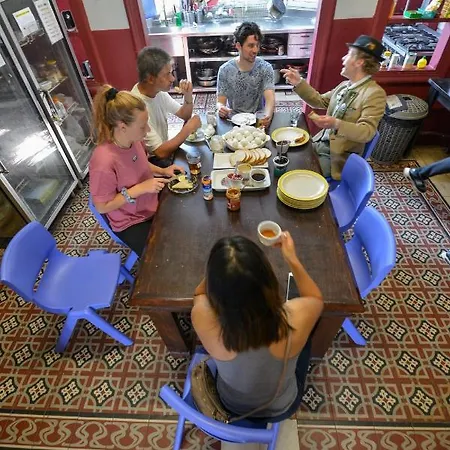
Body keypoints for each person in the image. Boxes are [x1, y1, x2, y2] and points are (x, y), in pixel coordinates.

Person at [191, 233, 323, 420]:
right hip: (281, 407)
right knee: (306, 341)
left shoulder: (203, 320)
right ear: (268, 280)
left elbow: (200, 294)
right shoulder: (294, 319)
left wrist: (218, 272)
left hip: (231, 404)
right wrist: (291, 258)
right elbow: (315, 298)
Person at [89, 85, 184, 256]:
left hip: (149, 204)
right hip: (131, 221)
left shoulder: (134, 140)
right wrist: (140, 189)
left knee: (184, 221)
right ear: (122, 126)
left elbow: (141, 164)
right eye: (142, 126)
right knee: (162, 255)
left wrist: (163, 171)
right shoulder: (103, 161)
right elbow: (102, 206)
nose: (148, 130)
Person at [281, 35, 387, 180]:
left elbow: (367, 132)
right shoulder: (344, 85)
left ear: (359, 62)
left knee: (297, 174)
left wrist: (336, 124)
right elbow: (319, 101)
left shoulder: (374, 93)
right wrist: (299, 83)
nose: (343, 58)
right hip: (319, 144)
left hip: (336, 158)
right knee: (286, 156)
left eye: (348, 54)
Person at [131, 47, 201, 166]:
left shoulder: (158, 92)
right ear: (151, 79)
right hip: (151, 162)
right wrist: (188, 129)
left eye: (171, 72)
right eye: (167, 74)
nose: (172, 78)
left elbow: (184, 114)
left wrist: (188, 96)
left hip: (164, 152)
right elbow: (160, 152)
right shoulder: (136, 106)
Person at [216, 22, 275, 128]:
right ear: (238, 46)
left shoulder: (266, 68)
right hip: (233, 120)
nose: (255, 50)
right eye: (251, 46)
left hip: (258, 120)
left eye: (257, 45)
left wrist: (268, 116)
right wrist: (221, 108)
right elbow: (220, 101)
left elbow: (270, 98)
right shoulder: (225, 70)